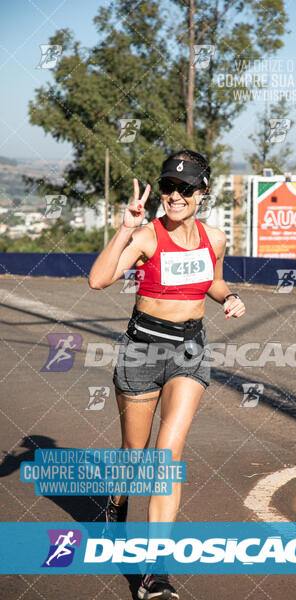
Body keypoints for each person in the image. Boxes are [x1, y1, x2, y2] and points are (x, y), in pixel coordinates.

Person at [88, 149, 246, 599]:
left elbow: (210, 280)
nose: (175, 196)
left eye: (185, 188)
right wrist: (124, 230)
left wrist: (228, 296)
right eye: (169, 187)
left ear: (202, 193)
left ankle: (155, 572)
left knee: (165, 458)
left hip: (189, 351)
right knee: (134, 456)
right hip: (140, 352)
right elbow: (99, 279)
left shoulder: (213, 238)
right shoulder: (146, 236)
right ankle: (118, 501)